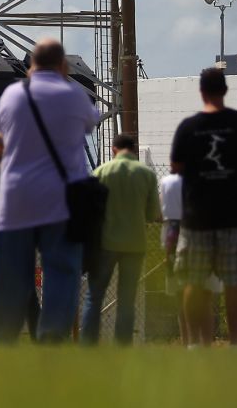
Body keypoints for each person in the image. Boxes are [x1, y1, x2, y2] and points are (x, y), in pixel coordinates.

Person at [0, 38, 98, 344]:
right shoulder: (75, 95)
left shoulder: (12, 95)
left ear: (30, 66)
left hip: (16, 199)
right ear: (62, 65)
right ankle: (52, 337)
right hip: (62, 199)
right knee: (61, 271)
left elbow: (0, 135)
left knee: (11, 273)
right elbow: (90, 125)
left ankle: (1, 340)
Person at [169, 67, 237, 346]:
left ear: (201, 91)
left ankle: (195, 343)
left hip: (197, 216)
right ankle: (234, 342)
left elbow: (176, 166)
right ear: (225, 90)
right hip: (233, 214)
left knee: (194, 281)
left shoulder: (188, 127)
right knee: (235, 281)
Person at [80, 133, 161, 345]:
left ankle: (88, 345)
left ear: (114, 150)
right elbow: (152, 214)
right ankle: (122, 347)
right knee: (127, 299)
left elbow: (89, 211)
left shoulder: (100, 172)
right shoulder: (147, 174)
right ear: (133, 150)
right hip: (135, 243)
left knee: (94, 295)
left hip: (105, 243)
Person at [159, 171, 188, 345]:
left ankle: (186, 340)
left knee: (179, 294)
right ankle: (198, 339)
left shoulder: (167, 183)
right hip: (195, 236)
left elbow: (161, 213)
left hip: (172, 238)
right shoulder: (200, 179)